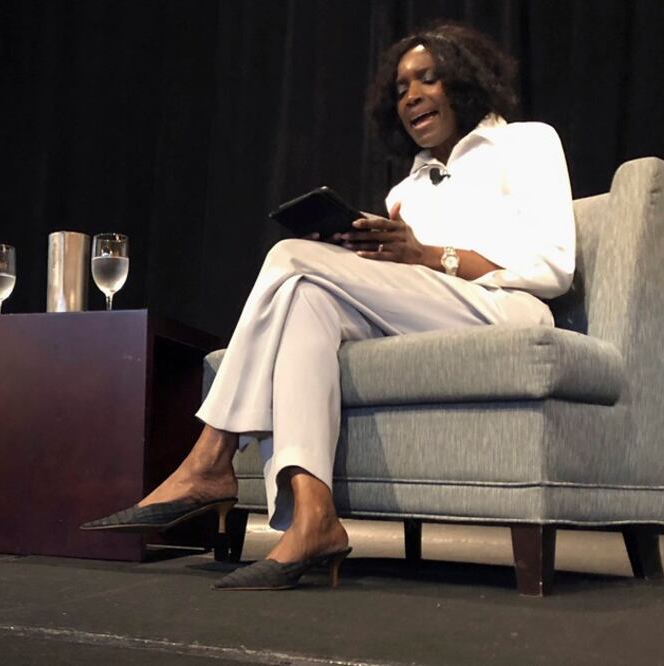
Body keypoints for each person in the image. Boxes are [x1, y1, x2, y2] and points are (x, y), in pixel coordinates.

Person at [82, 23, 575, 590]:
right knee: (307, 294)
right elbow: (406, 279)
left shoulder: (527, 142)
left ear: (464, 83)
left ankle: (211, 455)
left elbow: (553, 268)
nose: (410, 95)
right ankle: (315, 516)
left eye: (428, 80)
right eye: (400, 89)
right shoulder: (408, 189)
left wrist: (428, 254)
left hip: (506, 311)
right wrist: (369, 253)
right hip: (427, 315)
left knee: (290, 256)